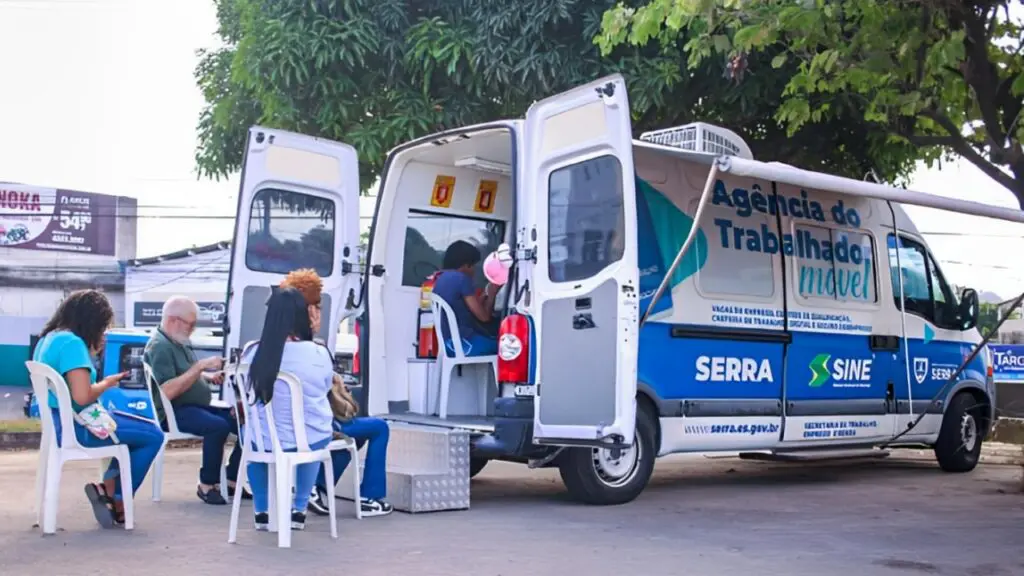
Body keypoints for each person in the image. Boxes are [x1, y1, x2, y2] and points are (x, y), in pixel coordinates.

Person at [32, 289, 164, 528]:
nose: (103, 333)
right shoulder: (72, 343)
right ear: (92, 321)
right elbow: (82, 396)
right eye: (102, 327)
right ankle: (117, 498)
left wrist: (91, 353)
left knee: (135, 432)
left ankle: (110, 491)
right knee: (153, 435)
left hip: (58, 425)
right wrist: (106, 383)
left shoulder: (49, 338)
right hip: (81, 428)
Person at [278, 268, 393, 517]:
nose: (320, 313)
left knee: (354, 432)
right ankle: (370, 497)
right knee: (377, 427)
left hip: (277, 433)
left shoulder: (262, 350)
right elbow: (324, 397)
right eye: (317, 307)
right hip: (313, 430)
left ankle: (317, 487)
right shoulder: (315, 353)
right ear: (307, 311)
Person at [240, 287, 335, 531]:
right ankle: (299, 509)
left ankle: (262, 511)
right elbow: (325, 388)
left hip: (263, 442)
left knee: (255, 436)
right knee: (316, 432)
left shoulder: (252, 351)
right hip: (306, 441)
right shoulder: (318, 353)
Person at [143, 296, 247, 505]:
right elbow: (167, 391)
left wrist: (207, 376)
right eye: (190, 324)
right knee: (217, 427)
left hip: (194, 405)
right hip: (175, 410)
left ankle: (231, 478)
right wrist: (200, 367)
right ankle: (207, 484)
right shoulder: (160, 347)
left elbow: (184, 374)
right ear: (173, 320)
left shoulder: (178, 340)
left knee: (247, 420)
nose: (192, 329)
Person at [432, 240, 500, 357]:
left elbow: (465, 307)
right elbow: (484, 317)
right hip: (465, 345)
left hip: (447, 345)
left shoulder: (440, 279)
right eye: (473, 266)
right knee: (507, 347)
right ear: (465, 265)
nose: (473, 270)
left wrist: (484, 296)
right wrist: (492, 295)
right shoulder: (462, 279)